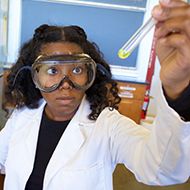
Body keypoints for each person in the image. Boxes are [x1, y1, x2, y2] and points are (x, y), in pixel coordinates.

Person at [1, 0, 190, 189]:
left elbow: (162, 171)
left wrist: (177, 86)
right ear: (33, 76)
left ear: (91, 74)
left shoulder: (109, 126)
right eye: (52, 71)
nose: (65, 85)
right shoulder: (22, 116)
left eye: (76, 70)